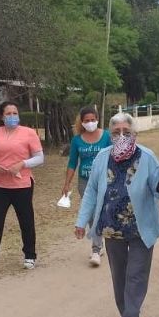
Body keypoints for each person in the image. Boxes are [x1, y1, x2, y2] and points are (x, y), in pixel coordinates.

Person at [75, 113, 159, 317]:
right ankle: (127, 313)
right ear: (110, 135)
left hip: (140, 228)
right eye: (116, 132)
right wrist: (81, 221)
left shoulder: (147, 156)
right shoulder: (102, 157)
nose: (122, 136)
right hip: (112, 228)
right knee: (119, 276)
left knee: (136, 274)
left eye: (126, 131)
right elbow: (92, 192)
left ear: (134, 133)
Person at [0, 100, 44, 275]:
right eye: (8, 114)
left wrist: (22, 164)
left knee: (26, 220)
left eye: (15, 113)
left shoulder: (28, 133)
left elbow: (40, 157)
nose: (12, 117)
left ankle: (30, 256)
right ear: (1, 116)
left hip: (23, 184)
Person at [62, 106, 111, 267]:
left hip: (104, 181)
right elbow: (72, 163)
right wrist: (67, 183)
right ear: (81, 122)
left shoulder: (107, 136)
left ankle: (102, 242)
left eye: (92, 120)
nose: (90, 123)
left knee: (103, 211)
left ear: (97, 119)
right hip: (85, 182)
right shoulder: (77, 140)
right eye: (86, 120)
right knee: (91, 213)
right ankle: (96, 249)